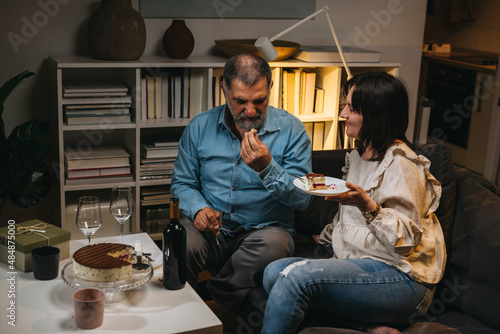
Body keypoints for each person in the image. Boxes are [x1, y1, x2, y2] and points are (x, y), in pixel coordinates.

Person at [261, 72, 447, 334]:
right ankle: (368, 327)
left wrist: (368, 207)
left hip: (404, 279)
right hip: (365, 264)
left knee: (294, 279)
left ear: (375, 115)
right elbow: (349, 220)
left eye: (352, 108)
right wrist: (327, 237)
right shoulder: (359, 156)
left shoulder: (403, 164)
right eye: (345, 105)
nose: (342, 114)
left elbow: (404, 243)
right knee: (273, 272)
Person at [170, 53, 313, 316]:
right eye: (240, 101)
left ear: (270, 87)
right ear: (224, 89)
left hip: (265, 231)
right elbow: (182, 183)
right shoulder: (200, 127)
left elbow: (303, 199)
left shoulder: (292, 131)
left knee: (275, 245)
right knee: (180, 241)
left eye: (259, 101)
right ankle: (178, 315)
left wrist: (267, 168)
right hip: (210, 231)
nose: (250, 111)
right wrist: (199, 209)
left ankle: (208, 307)